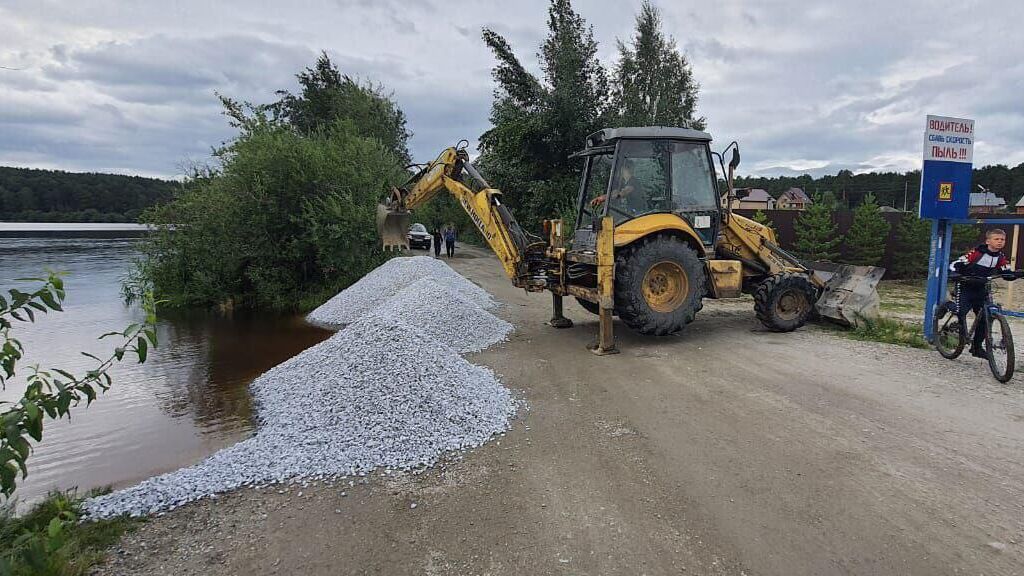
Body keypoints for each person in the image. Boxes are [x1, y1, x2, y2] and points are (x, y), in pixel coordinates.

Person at [948, 228, 1017, 358]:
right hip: (965, 286)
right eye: (996, 239)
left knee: (985, 319)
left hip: (981, 289)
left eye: (1002, 239)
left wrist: (1016, 274)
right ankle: (946, 306)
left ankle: (976, 347)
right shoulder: (977, 253)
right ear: (988, 241)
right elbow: (955, 264)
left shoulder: (1000, 257)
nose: (1000, 242)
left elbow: (1006, 273)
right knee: (960, 311)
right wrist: (954, 273)